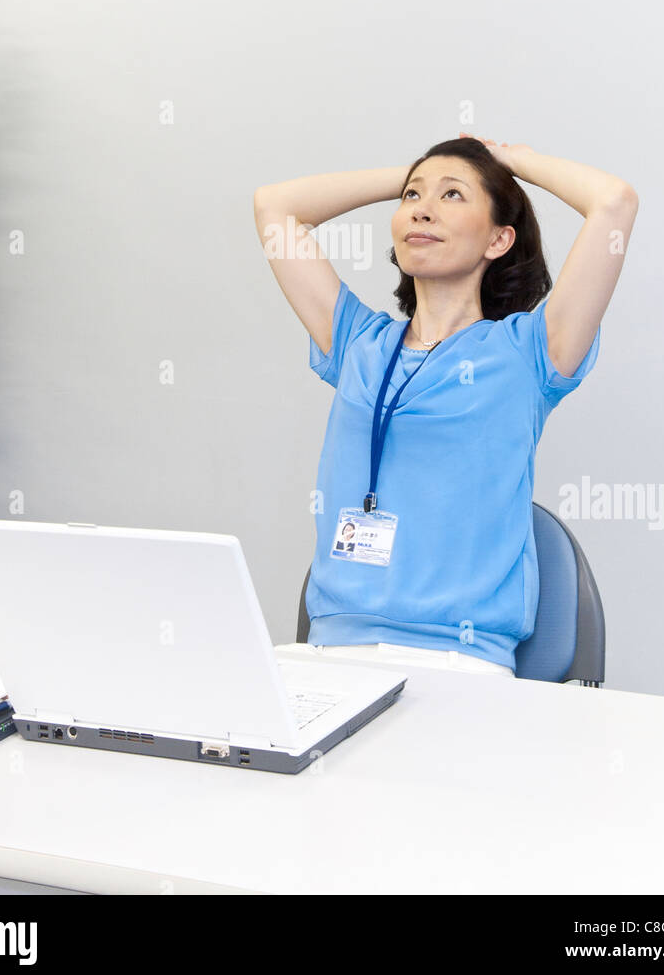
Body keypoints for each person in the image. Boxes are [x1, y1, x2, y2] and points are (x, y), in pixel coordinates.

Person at [253, 135, 638, 679]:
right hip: (331, 655)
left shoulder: (529, 353)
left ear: (499, 239)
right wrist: (423, 174)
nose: (423, 210)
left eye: (453, 197)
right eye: (411, 197)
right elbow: (276, 208)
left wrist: (511, 162)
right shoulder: (359, 344)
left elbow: (614, 202)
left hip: (461, 663)